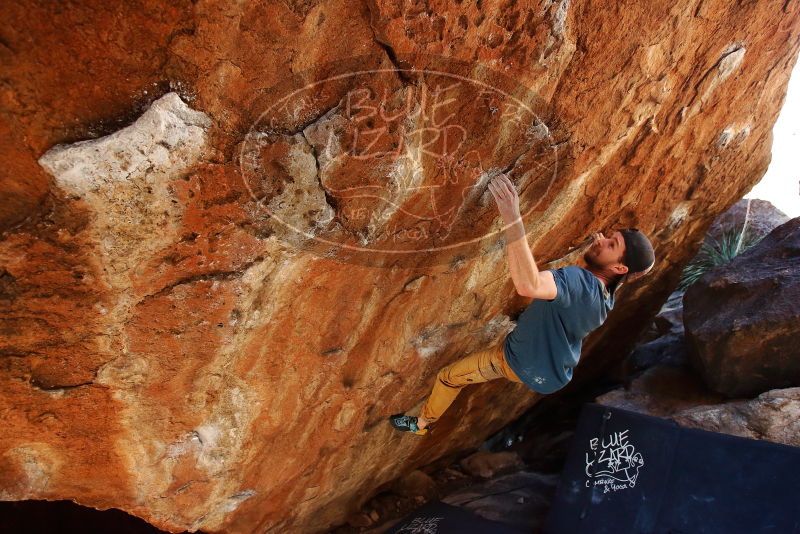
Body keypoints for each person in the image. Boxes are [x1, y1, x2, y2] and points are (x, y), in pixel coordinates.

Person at [389, 173, 655, 435]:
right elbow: (585, 288)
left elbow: (529, 285)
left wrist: (511, 216)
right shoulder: (606, 298)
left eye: (612, 243)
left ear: (620, 266)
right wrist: (601, 255)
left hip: (514, 362)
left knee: (448, 377)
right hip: (553, 376)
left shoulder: (577, 281)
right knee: (546, 307)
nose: (603, 239)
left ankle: (421, 425)